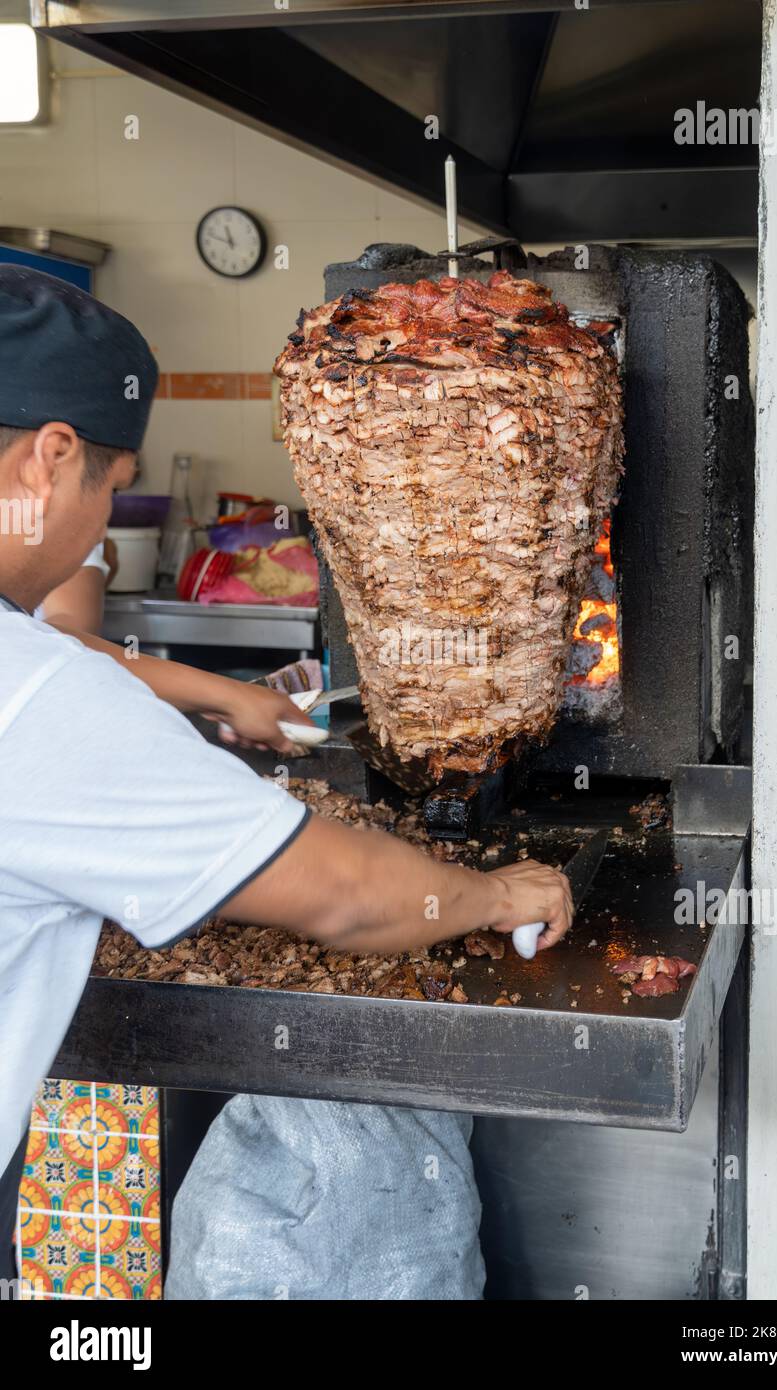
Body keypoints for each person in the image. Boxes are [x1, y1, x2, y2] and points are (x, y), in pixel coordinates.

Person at [0, 267, 573, 1292]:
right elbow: (345, 892)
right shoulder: (37, 696)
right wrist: (493, 892)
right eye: (108, 483)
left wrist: (202, 697)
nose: (98, 521)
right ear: (51, 458)